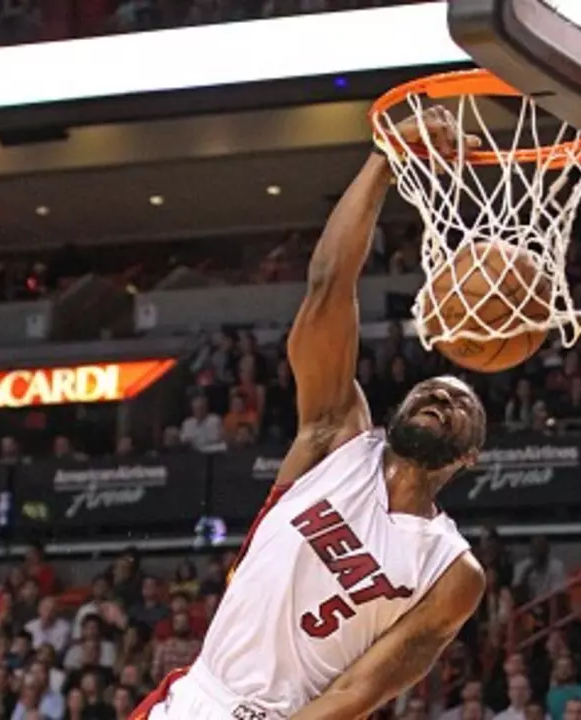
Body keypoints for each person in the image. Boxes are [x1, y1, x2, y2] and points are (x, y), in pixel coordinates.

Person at [133, 107, 487, 720]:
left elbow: (359, 692)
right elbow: (328, 284)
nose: (442, 396)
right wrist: (385, 159)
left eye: (461, 403)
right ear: (397, 408)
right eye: (430, 389)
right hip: (193, 699)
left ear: (469, 455)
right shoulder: (335, 440)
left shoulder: (453, 571)